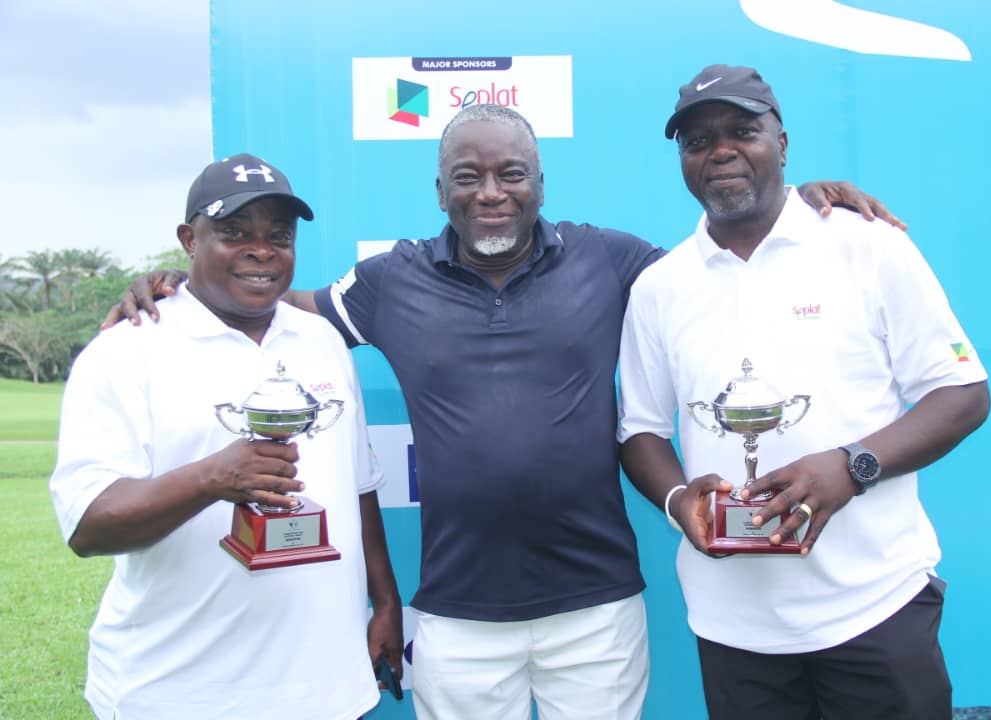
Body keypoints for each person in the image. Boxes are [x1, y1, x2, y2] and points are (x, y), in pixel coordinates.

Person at [106, 105, 902, 720]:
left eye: (511, 174)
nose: (491, 193)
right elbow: (271, 302)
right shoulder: (389, 280)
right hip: (455, 612)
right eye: (468, 176)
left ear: (540, 184)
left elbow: (722, 271)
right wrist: (179, 285)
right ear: (440, 190)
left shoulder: (611, 259)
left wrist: (796, 206)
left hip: (597, 605)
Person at [616, 65, 991, 720]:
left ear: (782, 144)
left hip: (874, 605)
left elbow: (961, 393)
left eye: (743, 132)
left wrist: (852, 466)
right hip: (734, 624)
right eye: (698, 141)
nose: (721, 152)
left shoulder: (867, 245)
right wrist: (678, 502)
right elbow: (641, 430)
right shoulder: (660, 286)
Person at [51, 154, 403, 720]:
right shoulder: (125, 351)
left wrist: (384, 602)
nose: (261, 250)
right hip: (181, 692)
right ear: (189, 240)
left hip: (327, 689)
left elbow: (357, 486)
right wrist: (212, 478)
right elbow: (89, 527)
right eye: (234, 233)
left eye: (278, 236)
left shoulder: (320, 340)